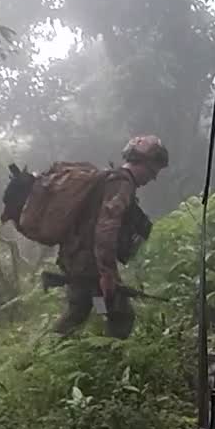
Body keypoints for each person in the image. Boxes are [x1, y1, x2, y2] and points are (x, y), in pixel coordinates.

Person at [53, 135, 169, 339]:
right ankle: (108, 359)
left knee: (81, 309)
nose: (153, 178)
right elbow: (106, 229)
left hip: (77, 260)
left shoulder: (108, 179)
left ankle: (45, 354)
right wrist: (107, 275)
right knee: (120, 316)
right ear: (142, 163)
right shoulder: (121, 184)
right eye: (153, 171)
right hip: (92, 267)